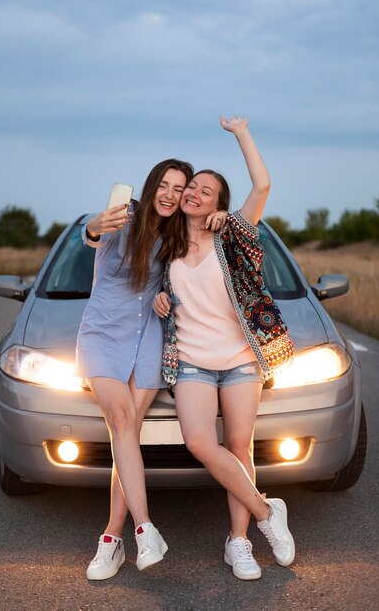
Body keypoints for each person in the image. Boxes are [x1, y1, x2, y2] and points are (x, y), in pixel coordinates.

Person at [153, 116, 295, 581]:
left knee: (238, 445)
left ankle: (239, 542)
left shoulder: (235, 235)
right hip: (192, 361)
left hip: (239, 362)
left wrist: (240, 132)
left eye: (205, 190)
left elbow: (264, 183)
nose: (193, 193)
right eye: (191, 186)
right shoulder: (165, 244)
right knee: (199, 442)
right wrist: (159, 299)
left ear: (220, 204)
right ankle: (266, 511)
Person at [76, 158, 194, 580]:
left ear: (186, 197)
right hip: (103, 338)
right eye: (164, 184)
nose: (169, 194)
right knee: (123, 421)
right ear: (152, 185)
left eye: (179, 189)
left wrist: (166, 296)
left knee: (125, 434)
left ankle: (112, 538)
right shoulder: (122, 218)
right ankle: (144, 528)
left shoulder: (177, 237)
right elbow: (91, 233)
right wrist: (94, 224)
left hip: (148, 339)